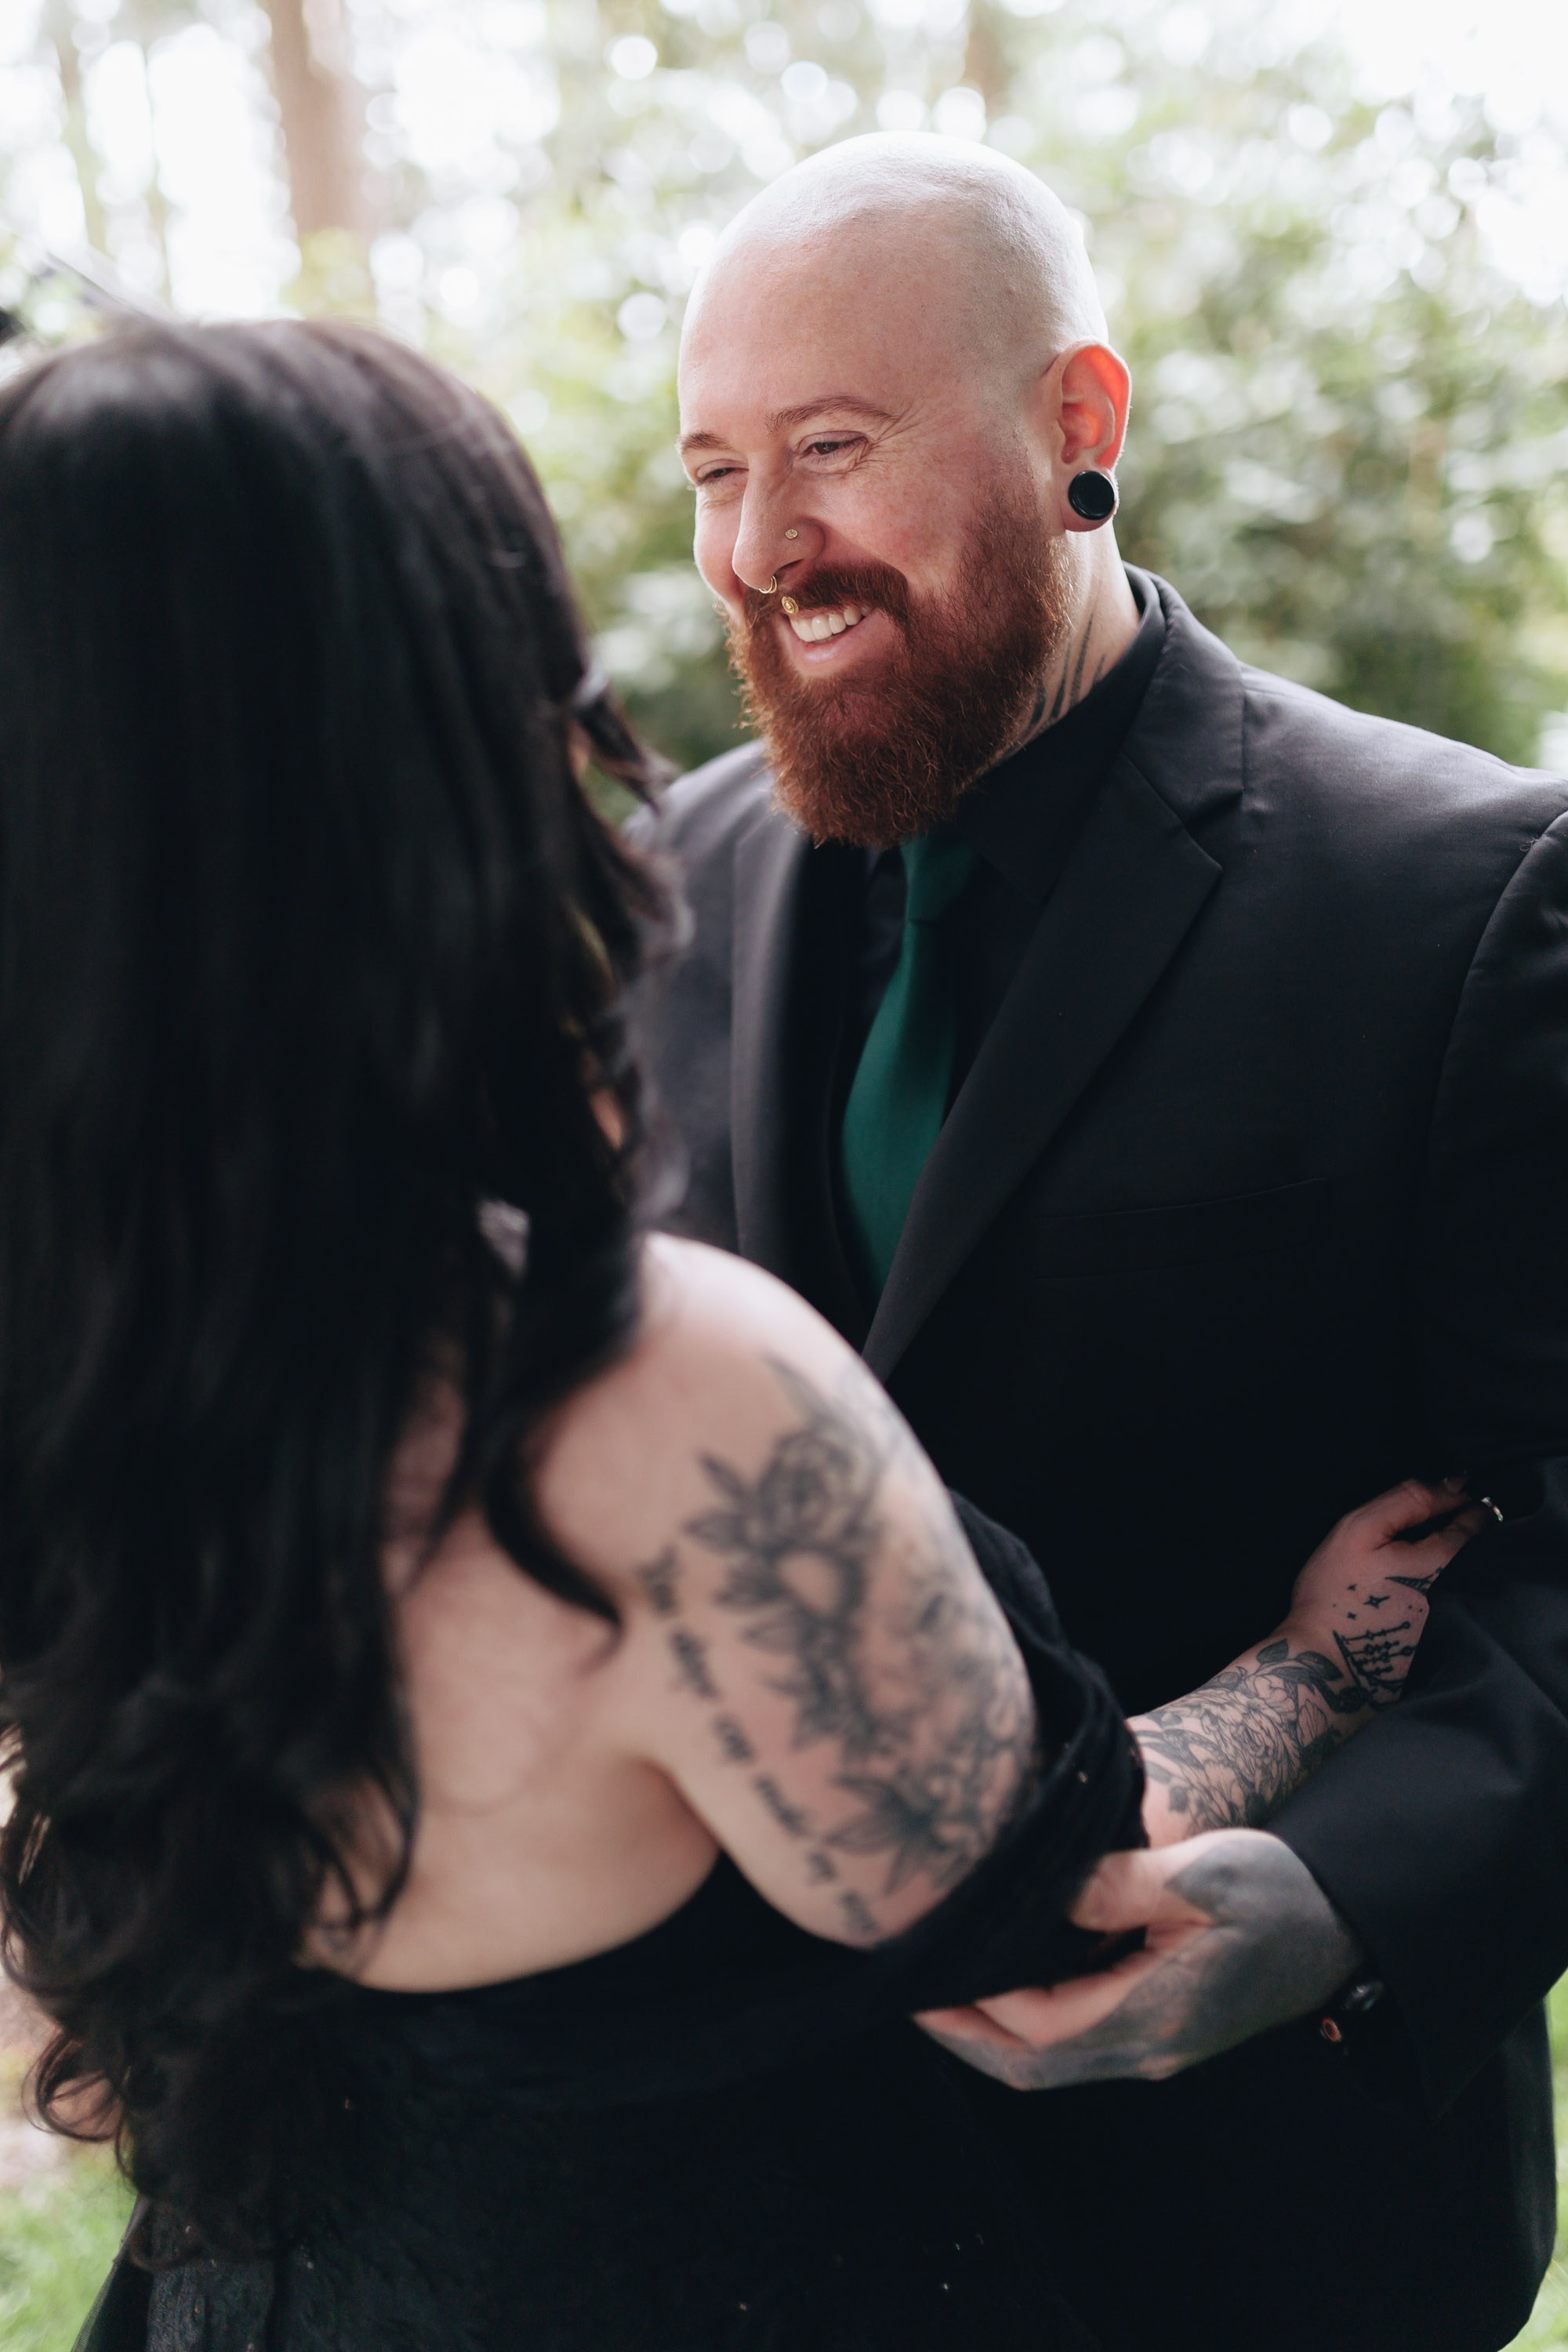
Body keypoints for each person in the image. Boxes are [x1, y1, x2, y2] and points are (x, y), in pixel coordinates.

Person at [0, 320, 1473, 2351]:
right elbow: (1045, 1883)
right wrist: (1316, 1669)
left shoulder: (77, 1341)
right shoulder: (649, 1394)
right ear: (439, 723)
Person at [632, 131, 1568, 2352]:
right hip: (744, 2200)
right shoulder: (667, 882)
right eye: (714, 473)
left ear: (1079, 429)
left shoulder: (1469, 894)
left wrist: (1350, 1897)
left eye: (835, 453)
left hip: (1265, 2213)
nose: (765, 551)